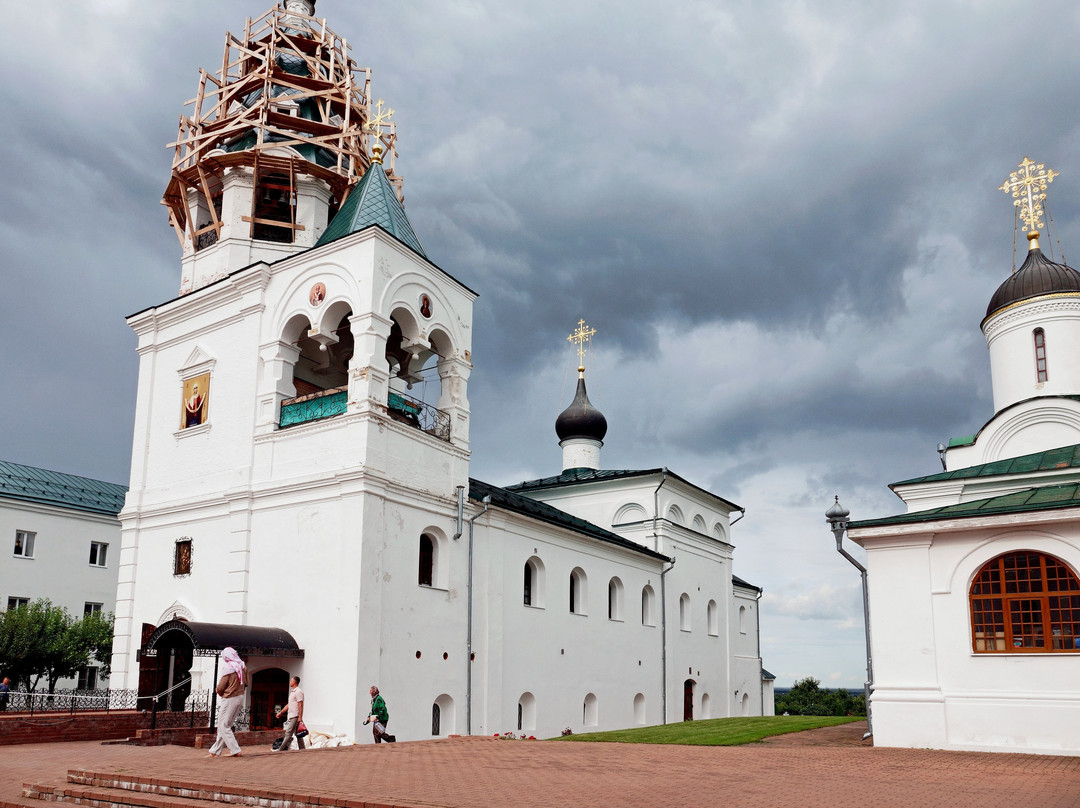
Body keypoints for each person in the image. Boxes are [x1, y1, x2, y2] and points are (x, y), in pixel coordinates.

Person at [207, 647, 246, 757]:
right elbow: (245, 682)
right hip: (240, 696)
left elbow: (220, 687)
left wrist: (220, 693)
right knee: (226, 725)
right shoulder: (242, 667)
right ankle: (215, 751)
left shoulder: (229, 668)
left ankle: (235, 750)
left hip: (229, 698)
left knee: (223, 725)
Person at [274, 675, 305, 751]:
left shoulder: (298, 691)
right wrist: (281, 712)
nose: (290, 682)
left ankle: (280, 749)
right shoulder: (292, 692)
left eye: (291, 681)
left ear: (294, 682)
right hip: (292, 715)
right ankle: (303, 749)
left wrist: (300, 717)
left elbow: (300, 704)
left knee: (288, 733)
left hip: (295, 715)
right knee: (298, 734)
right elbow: (289, 704)